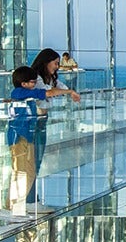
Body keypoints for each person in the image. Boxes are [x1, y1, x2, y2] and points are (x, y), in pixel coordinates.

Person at [6, 65, 78, 215]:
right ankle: (14, 206)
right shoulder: (20, 92)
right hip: (19, 137)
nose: (35, 84)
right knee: (22, 171)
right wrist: (69, 91)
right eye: (32, 82)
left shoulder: (23, 93)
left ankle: (20, 204)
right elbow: (49, 92)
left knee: (29, 170)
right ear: (23, 83)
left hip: (27, 136)